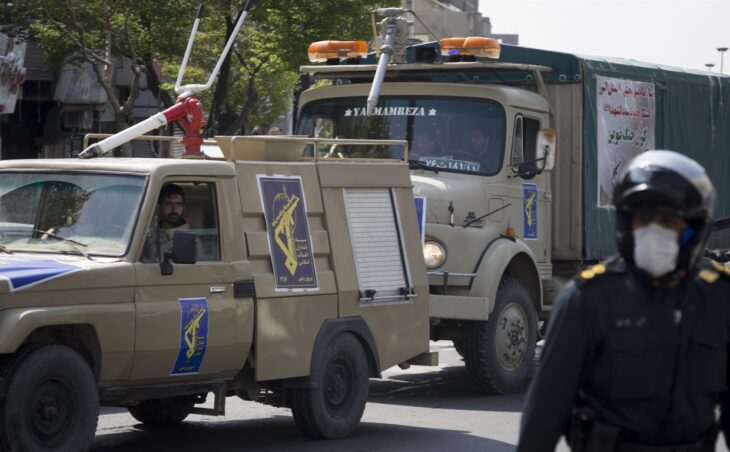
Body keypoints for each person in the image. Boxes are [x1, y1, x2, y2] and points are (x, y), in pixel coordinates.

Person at [518, 150, 730, 452]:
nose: (653, 231)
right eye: (643, 219)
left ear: (694, 229)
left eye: (669, 222)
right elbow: (544, 416)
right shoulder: (587, 299)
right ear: (626, 223)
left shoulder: (718, 298)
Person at [158, 183, 193, 257]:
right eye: (169, 204)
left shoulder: (191, 239)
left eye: (178, 204)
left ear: (183, 207)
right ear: (160, 206)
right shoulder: (150, 234)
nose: (174, 209)